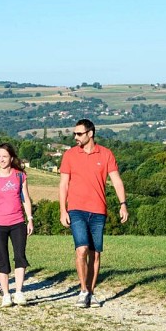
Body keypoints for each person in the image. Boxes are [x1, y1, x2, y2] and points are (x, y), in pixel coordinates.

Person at [59, 119, 129, 308]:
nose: (75, 137)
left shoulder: (106, 154)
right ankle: (83, 291)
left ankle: (90, 291)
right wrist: (62, 209)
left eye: (79, 134)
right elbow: (63, 184)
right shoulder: (69, 155)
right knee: (81, 249)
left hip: (98, 210)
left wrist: (123, 204)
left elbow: (116, 181)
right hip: (76, 209)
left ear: (90, 134)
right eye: (74, 134)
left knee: (95, 254)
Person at [0, 143, 34, 307]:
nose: (1, 159)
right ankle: (6, 294)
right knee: (2, 259)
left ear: (11, 157)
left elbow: (25, 198)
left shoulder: (20, 176)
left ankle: (19, 292)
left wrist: (30, 218)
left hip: (18, 222)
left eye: (4, 156)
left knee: (20, 256)